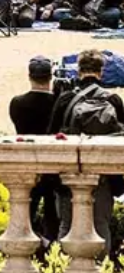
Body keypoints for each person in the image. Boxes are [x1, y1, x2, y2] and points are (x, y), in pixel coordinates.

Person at [47, 50, 124, 253]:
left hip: (69, 173)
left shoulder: (65, 99)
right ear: (102, 71)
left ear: (78, 70)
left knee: (67, 224)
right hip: (103, 175)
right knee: (101, 226)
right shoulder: (114, 100)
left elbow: (51, 137)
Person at [9, 56, 62, 242]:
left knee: (26, 212)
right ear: (51, 77)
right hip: (55, 165)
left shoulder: (17, 103)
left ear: (29, 76)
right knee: (53, 215)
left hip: (28, 164)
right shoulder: (59, 102)